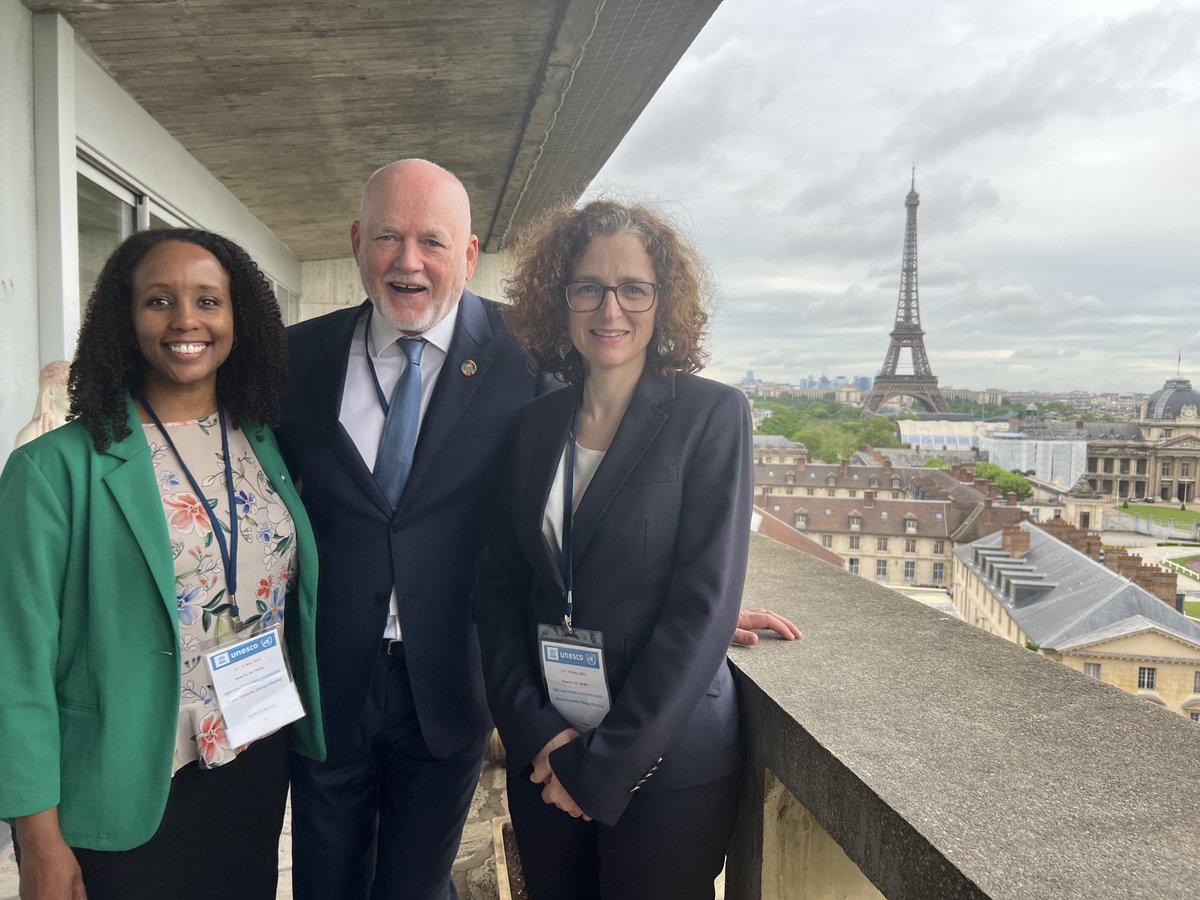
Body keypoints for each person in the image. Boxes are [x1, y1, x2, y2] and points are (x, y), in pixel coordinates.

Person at [0, 228, 324, 900]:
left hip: (251, 764)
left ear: (239, 318)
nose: (186, 320)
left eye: (209, 300)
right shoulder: (52, 470)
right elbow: (14, 664)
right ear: (125, 317)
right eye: (158, 301)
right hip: (124, 788)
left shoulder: (263, 441)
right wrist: (36, 840)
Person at [275, 159, 551, 900]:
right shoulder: (298, 357)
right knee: (325, 882)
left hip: (451, 679)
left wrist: (685, 590)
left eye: (432, 241)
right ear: (358, 242)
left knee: (416, 887)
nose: (408, 261)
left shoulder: (529, 357)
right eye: (389, 237)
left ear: (468, 254)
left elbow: (595, 485)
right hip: (330, 678)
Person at [474, 199, 753, 898]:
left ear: (664, 301)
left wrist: (602, 767)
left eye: (634, 288)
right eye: (588, 288)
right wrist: (539, 734)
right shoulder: (536, 425)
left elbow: (703, 608)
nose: (610, 309)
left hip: (664, 763)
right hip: (547, 750)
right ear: (559, 301)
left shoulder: (712, 416)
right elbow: (501, 591)